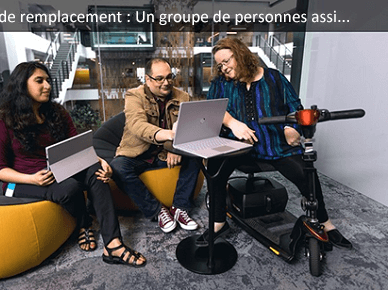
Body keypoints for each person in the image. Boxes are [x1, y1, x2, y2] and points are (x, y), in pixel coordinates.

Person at [195, 37, 352, 249]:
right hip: (238, 145)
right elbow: (212, 109)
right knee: (214, 167)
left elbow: (295, 107)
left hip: (275, 146)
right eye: (219, 65)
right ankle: (218, 223)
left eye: (226, 61)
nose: (223, 68)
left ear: (240, 54)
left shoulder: (275, 78)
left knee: (307, 173)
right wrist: (233, 123)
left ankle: (325, 223)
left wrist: (291, 128)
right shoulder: (222, 84)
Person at [0, 61, 146, 267]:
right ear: (21, 85)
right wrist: (32, 179)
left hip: (58, 170)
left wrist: (101, 161)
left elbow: (79, 147)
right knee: (70, 188)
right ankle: (84, 224)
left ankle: (113, 244)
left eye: (48, 80)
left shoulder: (55, 112)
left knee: (95, 172)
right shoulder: (2, 119)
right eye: (39, 81)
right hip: (21, 180)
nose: (47, 86)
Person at [110, 58, 200, 233]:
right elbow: (137, 125)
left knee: (196, 155)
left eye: (169, 77)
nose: (166, 83)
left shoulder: (183, 97)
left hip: (165, 154)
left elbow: (188, 126)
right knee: (118, 168)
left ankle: (180, 207)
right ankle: (157, 211)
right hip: (138, 153)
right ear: (147, 79)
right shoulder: (133, 95)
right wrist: (170, 138)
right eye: (159, 78)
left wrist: (174, 147)